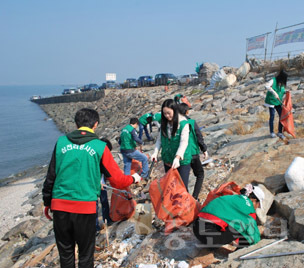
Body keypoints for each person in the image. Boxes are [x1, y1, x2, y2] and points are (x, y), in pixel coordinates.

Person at [42, 108, 142, 268]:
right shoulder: (100, 147)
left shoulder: (61, 142)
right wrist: (133, 178)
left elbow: (51, 176)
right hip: (84, 208)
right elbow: (117, 180)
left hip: (60, 208)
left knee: (66, 254)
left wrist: (47, 202)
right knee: (85, 255)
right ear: (95, 125)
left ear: (76, 124)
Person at [193, 184, 265, 248]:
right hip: (209, 236)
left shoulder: (233, 198)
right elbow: (253, 234)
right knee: (244, 226)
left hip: (196, 228)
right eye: (258, 205)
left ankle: (211, 245)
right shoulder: (250, 209)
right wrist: (257, 245)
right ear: (254, 200)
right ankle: (239, 252)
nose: (256, 208)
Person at [151, 99, 198, 190]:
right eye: (164, 114)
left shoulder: (183, 123)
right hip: (168, 159)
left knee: (182, 187)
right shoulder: (163, 123)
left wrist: (177, 157)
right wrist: (155, 152)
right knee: (171, 186)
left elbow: (184, 142)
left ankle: (186, 204)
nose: (167, 116)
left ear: (175, 110)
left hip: (182, 161)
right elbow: (159, 140)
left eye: (169, 113)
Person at [177, 103, 208, 199]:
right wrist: (204, 149)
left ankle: (185, 198)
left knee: (182, 180)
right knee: (200, 174)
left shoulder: (175, 124)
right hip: (192, 153)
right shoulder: (191, 122)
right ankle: (194, 197)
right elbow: (199, 137)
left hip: (180, 156)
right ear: (187, 111)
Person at [95, 138, 114, 232]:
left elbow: (106, 171)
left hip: (102, 182)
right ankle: (95, 227)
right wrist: (98, 183)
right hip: (93, 184)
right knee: (94, 205)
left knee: (104, 201)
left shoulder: (103, 157)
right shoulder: (94, 157)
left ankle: (107, 219)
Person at [264, 70, 288, 139]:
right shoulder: (273, 80)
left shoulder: (282, 84)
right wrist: (274, 93)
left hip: (278, 102)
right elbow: (267, 86)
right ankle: (271, 132)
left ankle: (280, 132)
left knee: (281, 116)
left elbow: (282, 91)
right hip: (271, 101)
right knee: (272, 116)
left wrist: (286, 92)